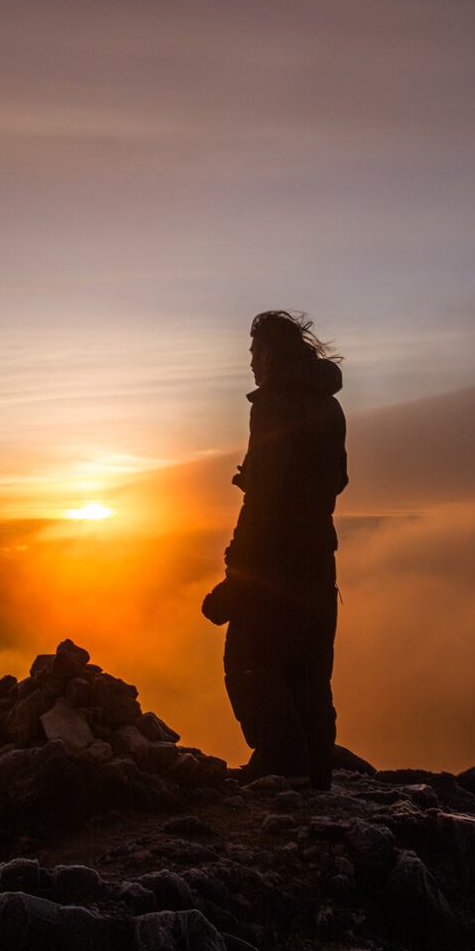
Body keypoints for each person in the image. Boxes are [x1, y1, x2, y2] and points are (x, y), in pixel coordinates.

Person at [201, 310, 348, 789]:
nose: (249, 363)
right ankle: (316, 776)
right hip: (318, 564)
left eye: (253, 352)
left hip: (275, 566)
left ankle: (281, 765)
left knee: (249, 663)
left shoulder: (273, 405)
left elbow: (264, 500)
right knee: (307, 672)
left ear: (269, 353)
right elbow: (336, 479)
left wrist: (236, 577)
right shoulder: (329, 406)